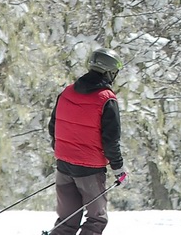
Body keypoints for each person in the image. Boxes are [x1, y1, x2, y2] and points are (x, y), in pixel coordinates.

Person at [48, 47, 127, 235]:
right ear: (110, 72)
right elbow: (111, 141)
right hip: (90, 171)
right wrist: (119, 169)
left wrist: (64, 153)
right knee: (96, 219)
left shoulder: (67, 92)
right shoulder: (107, 99)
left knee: (66, 222)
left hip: (64, 167)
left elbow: (53, 127)